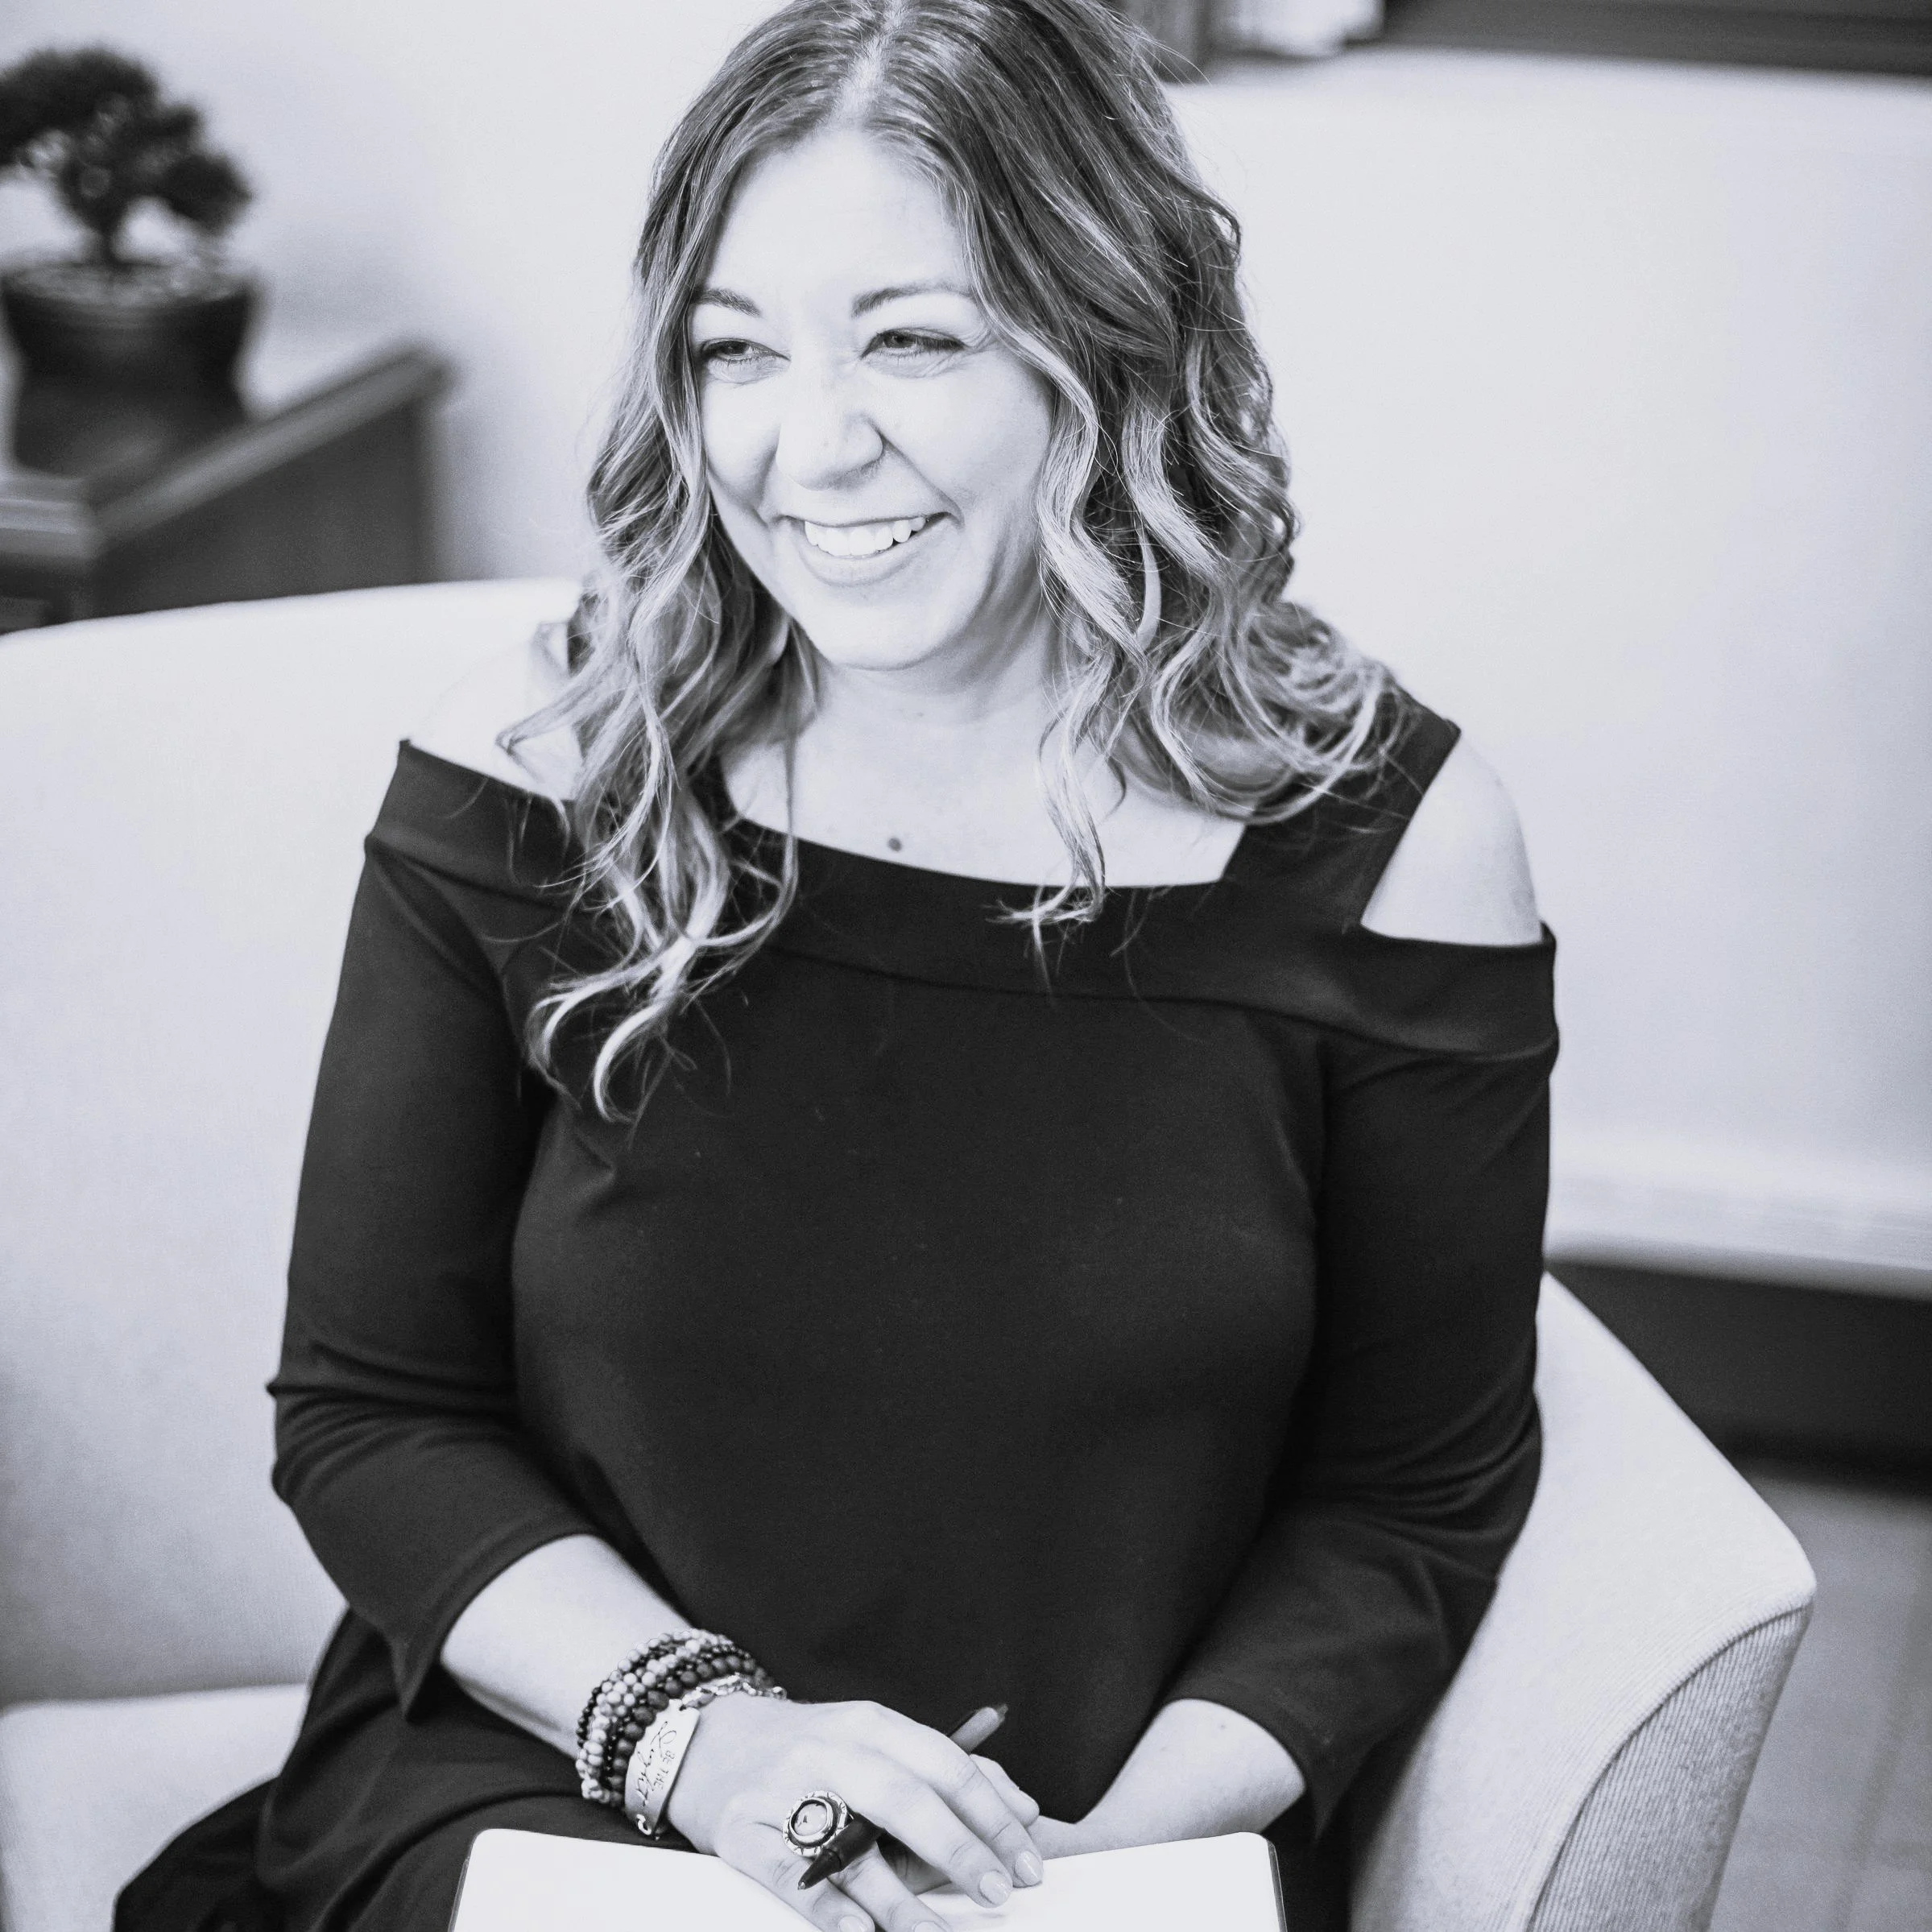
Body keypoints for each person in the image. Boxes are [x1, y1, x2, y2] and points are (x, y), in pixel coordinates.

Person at [206, 3, 1555, 1929]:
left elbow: (1404, 1504)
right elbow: (370, 1412)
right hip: (575, 1773)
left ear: (1109, 340)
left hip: (1081, 1829)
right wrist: (712, 1740)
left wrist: (1089, 1853)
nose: (805, 447)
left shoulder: (1392, 846)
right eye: (733, 350)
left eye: (912, 338)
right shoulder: (542, 769)